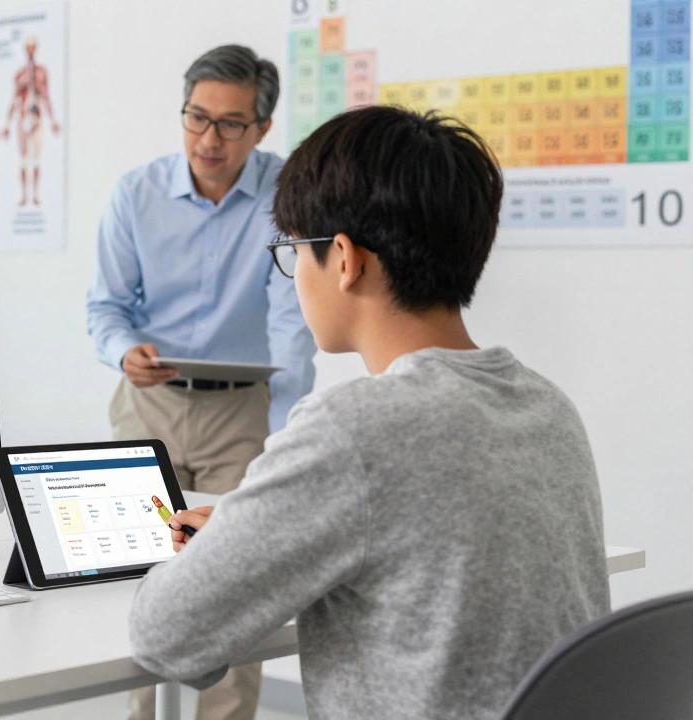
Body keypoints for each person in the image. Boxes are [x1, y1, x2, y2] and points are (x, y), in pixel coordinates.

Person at [129, 106, 610, 720]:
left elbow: (166, 635)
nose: (296, 273)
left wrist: (215, 551)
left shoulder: (352, 429)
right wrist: (252, 525)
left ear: (346, 260)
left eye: (295, 252)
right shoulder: (547, 407)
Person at [85, 44, 316, 720]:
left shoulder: (286, 196)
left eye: (230, 124)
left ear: (262, 129)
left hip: (243, 413)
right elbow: (106, 307)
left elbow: (293, 322)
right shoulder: (136, 192)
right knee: (136, 569)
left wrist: (287, 436)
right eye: (196, 118)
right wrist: (124, 351)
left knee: (236, 578)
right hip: (147, 403)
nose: (208, 139)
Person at [3, 35, 60, 207]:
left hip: (37, 118)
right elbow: (14, 98)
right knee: (23, 159)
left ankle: (34, 194)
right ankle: (23, 195)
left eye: (33, 47)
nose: (30, 50)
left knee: (35, 158)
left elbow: (46, 97)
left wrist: (52, 120)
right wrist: (7, 123)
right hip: (22, 118)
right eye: (28, 47)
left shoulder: (41, 72)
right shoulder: (20, 73)